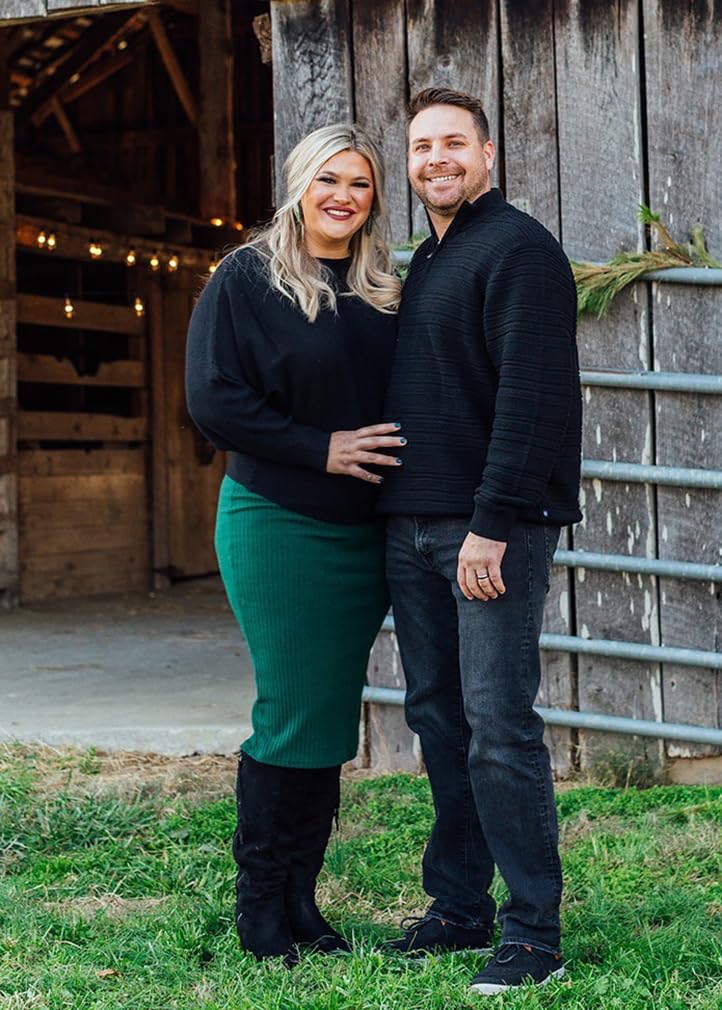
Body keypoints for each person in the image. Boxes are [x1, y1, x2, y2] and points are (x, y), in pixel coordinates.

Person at [377, 88, 582, 995]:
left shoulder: (521, 251)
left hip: (486, 531)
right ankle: (458, 909)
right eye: (422, 146)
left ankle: (533, 933)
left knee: (500, 727)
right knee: (440, 722)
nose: (437, 159)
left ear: (488, 155)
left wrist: (490, 527)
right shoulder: (429, 258)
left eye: (454, 143)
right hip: (411, 526)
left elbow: (531, 401)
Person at [185, 123, 404, 964]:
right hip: (278, 522)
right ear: (299, 183)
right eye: (328, 180)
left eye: (359, 183)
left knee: (324, 720)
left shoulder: (383, 286)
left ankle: (301, 903)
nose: (343, 196)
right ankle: (259, 910)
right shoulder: (246, 277)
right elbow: (213, 400)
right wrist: (324, 448)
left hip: (361, 540)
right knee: (289, 712)